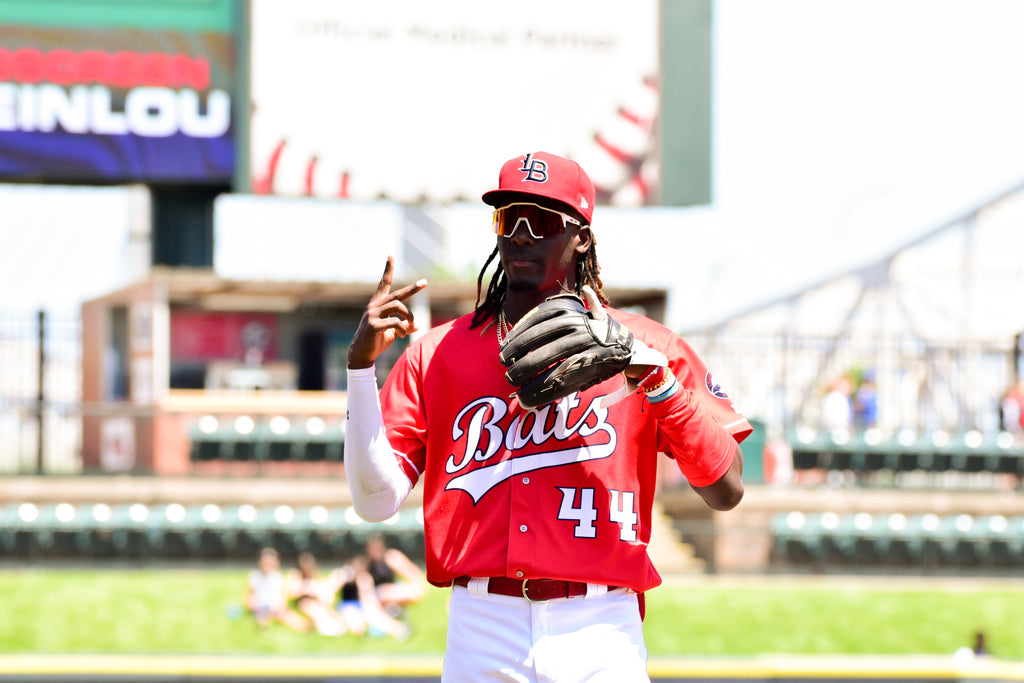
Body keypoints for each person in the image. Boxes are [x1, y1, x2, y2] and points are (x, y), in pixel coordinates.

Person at [344, 150, 749, 681]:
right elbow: (374, 502)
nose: (522, 235)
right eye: (510, 218)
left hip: (601, 624)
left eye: (544, 221)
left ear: (581, 235)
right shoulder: (436, 353)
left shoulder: (647, 346)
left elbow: (727, 487)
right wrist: (359, 370)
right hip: (481, 623)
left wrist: (658, 383)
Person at [243, 547, 309, 632]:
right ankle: (263, 626)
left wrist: (280, 606)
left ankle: (306, 627)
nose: (268, 565)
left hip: (275, 606)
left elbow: (283, 594)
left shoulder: (278, 578)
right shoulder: (255, 577)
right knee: (263, 616)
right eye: (265, 563)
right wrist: (252, 606)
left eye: (270, 563)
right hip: (260, 606)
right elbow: (249, 595)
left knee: (287, 615)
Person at [285, 551, 347, 636]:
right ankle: (324, 628)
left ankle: (336, 625)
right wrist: (307, 588)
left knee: (322, 607)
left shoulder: (314, 575)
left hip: (315, 600)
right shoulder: (295, 574)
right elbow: (293, 591)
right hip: (301, 601)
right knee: (312, 607)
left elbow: (319, 589)